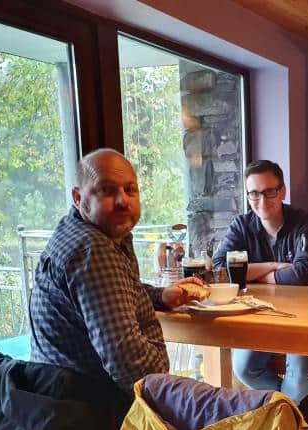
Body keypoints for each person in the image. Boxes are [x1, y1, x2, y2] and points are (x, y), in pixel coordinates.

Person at [30, 148, 202, 394]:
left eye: (130, 190)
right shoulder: (93, 249)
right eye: (106, 190)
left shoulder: (76, 231)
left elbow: (108, 292)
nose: (123, 201)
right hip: (93, 406)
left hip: (56, 398)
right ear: (78, 197)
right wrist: (170, 397)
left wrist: (161, 296)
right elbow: (132, 367)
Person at [213, 160, 308, 406]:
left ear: (282, 191)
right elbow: (219, 270)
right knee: (244, 368)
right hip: (257, 316)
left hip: (302, 319)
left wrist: (249, 273)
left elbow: (303, 273)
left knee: (299, 378)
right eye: (254, 193)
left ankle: (283, 416)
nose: (261, 200)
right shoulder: (241, 225)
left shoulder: (304, 222)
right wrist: (272, 266)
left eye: (269, 192)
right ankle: (289, 412)